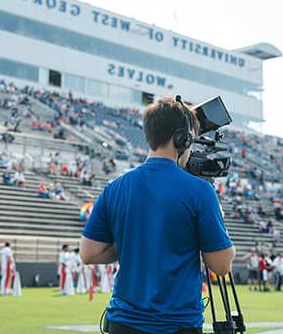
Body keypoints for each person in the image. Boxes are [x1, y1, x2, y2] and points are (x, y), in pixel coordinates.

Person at [80, 96, 235, 334]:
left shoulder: (115, 187)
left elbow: (89, 253)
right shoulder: (200, 191)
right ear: (183, 139)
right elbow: (221, 265)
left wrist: (137, 244)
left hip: (122, 323)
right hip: (177, 325)